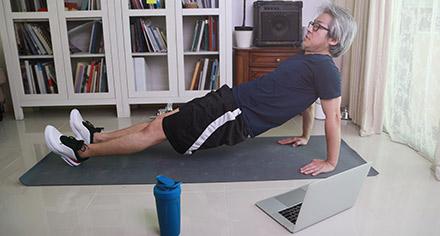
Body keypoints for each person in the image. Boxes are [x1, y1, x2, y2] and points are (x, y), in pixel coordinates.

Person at [44, 4, 357, 176]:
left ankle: (81, 153)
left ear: (334, 39)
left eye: (318, 26)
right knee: (163, 119)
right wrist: (303, 136)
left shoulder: (327, 71)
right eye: (312, 23)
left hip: (235, 117)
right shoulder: (308, 59)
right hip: (230, 99)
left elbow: (330, 119)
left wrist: (331, 161)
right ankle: (96, 137)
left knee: (157, 131)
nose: (309, 28)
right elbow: (305, 102)